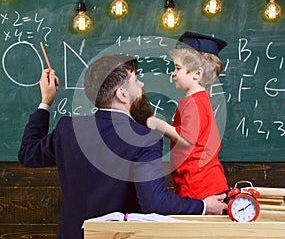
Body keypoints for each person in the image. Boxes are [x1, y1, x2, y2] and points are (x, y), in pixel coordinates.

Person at [18, 54, 227, 239]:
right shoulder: (145, 137)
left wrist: (46, 101)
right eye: (136, 80)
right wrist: (203, 206)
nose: (142, 85)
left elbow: (28, 154)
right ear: (122, 94)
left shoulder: (68, 129)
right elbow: (154, 202)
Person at [146, 32, 229, 200]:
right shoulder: (199, 100)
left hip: (198, 185)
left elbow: (186, 139)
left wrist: (158, 124)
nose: (173, 73)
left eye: (177, 68)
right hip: (201, 181)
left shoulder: (193, 103)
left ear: (197, 74)